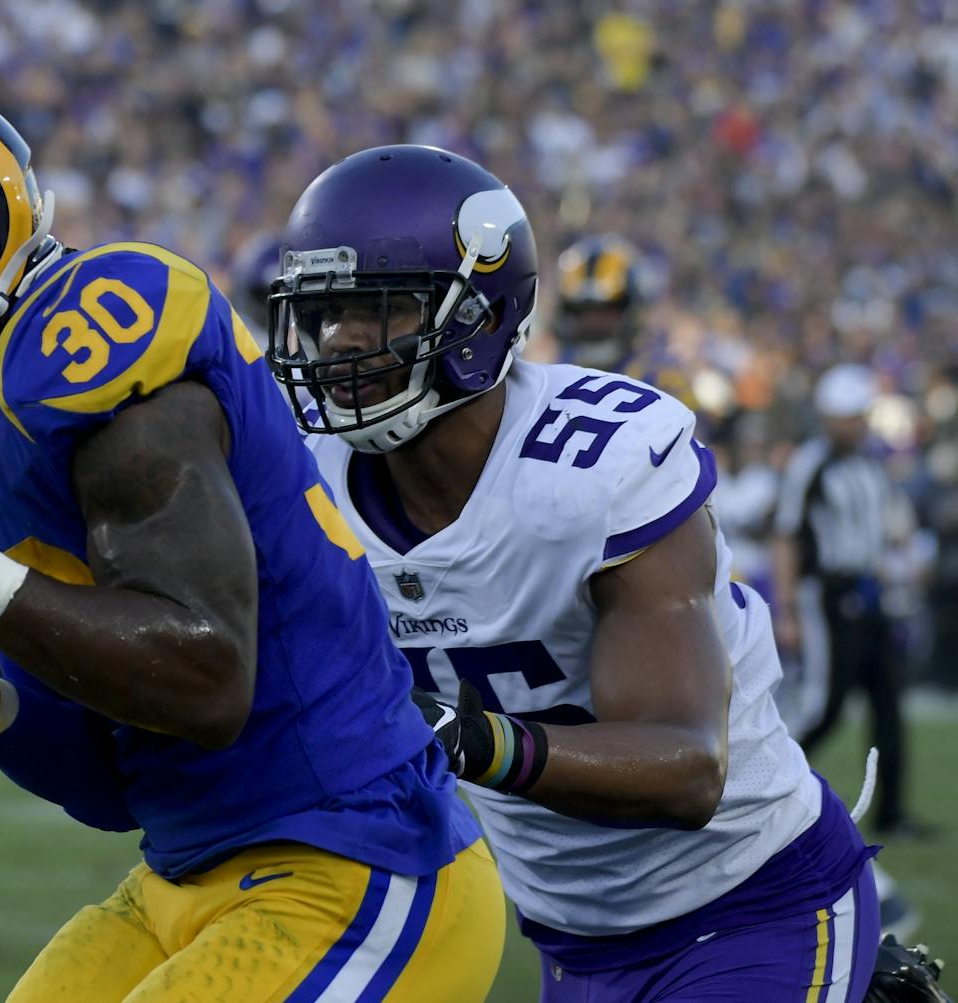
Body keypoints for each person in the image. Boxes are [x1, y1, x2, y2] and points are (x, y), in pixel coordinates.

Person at [0, 84, 501, 1001]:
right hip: (185, 871)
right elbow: (110, 784)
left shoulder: (86, 331)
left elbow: (208, 678)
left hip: (352, 858)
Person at [266, 144, 880, 1001]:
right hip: (571, 937)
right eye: (326, 313)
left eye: (384, 308)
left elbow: (686, 766)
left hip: (753, 897)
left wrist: (469, 735)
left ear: (479, 322)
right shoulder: (305, 471)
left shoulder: (597, 466)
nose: (342, 341)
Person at [773, 363, 919, 838]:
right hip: (829, 597)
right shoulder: (811, 463)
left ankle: (892, 814)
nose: (850, 425)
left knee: (889, 703)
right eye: (843, 416)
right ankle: (764, 791)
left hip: (871, 594)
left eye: (856, 416)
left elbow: (884, 527)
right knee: (823, 705)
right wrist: (787, 608)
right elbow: (787, 537)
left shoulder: (870, 463)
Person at [552, 233, 696, 409]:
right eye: (583, 310)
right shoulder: (554, 376)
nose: (594, 321)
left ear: (632, 309)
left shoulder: (662, 377)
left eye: (607, 310)